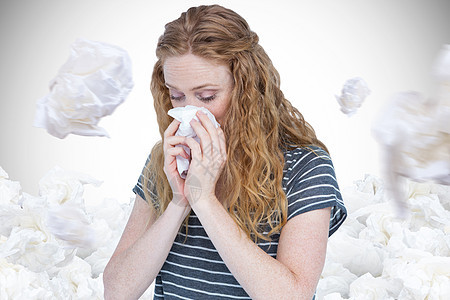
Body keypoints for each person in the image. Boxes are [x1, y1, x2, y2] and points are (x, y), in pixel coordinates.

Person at [103, 4, 347, 299]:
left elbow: (292, 295)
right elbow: (117, 290)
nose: (189, 114)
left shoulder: (305, 167)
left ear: (246, 88)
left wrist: (204, 201)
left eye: (207, 96)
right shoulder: (166, 158)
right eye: (177, 96)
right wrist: (180, 202)